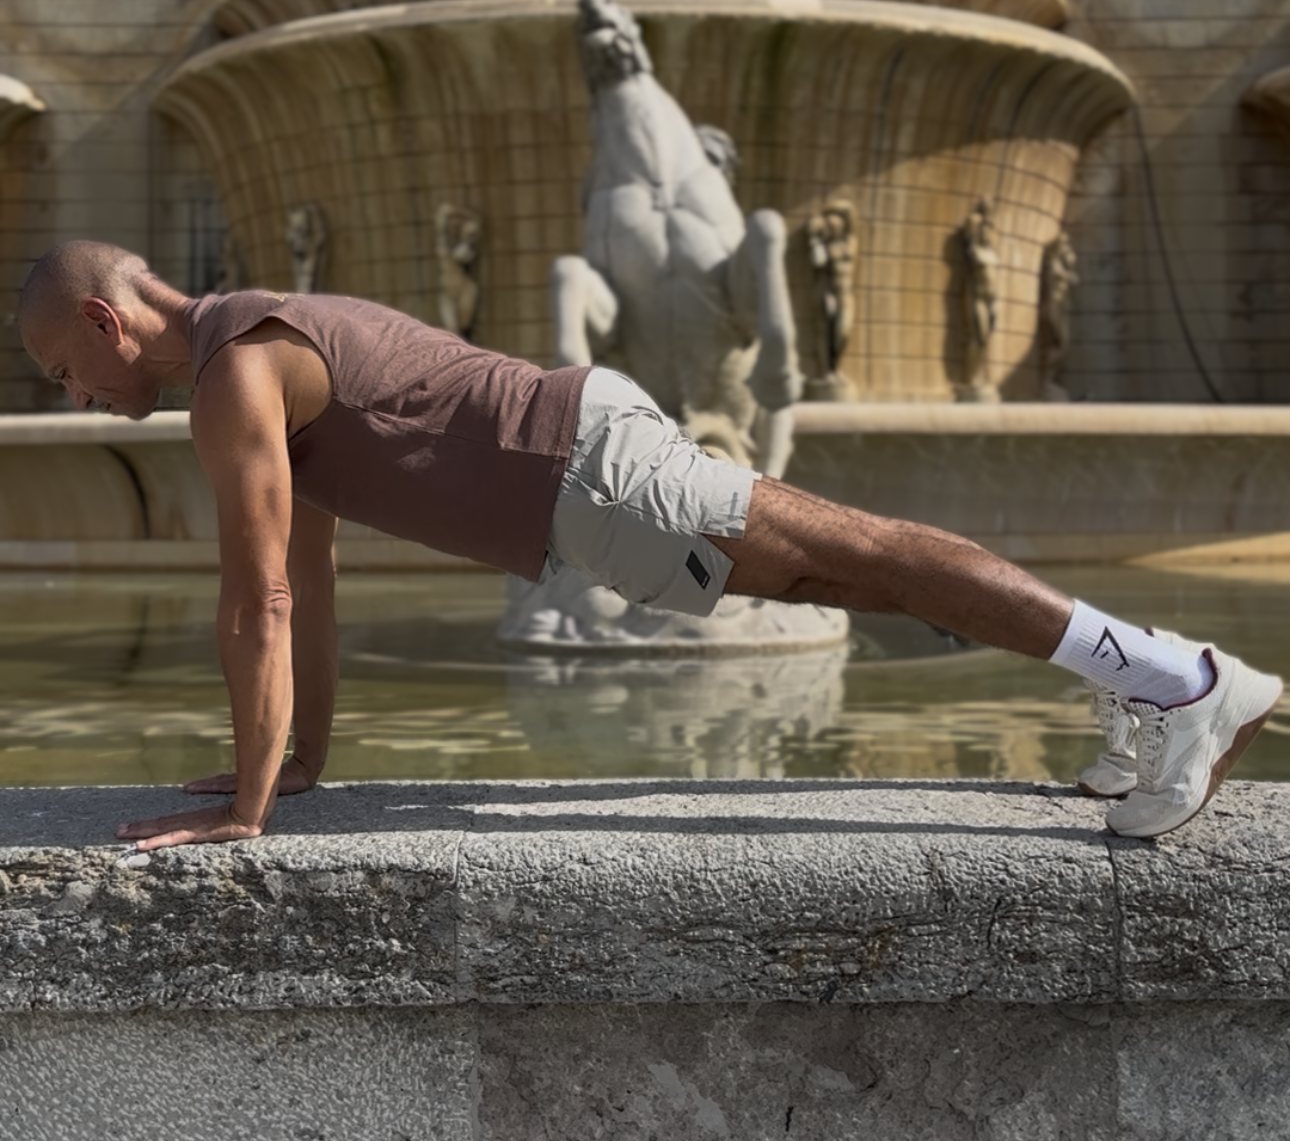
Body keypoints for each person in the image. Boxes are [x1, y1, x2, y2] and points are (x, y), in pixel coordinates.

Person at [17, 240, 1282, 851]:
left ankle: (1181, 683)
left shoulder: (235, 371)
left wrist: (242, 812)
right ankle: (1150, 681)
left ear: (104, 320)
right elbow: (317, 583)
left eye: (65, 374)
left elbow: (261, 603)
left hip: (593, 474)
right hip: (591, 474)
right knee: (855, 568)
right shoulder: (260, 336)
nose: (74, 400)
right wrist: (298, 768)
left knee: (877, 556)